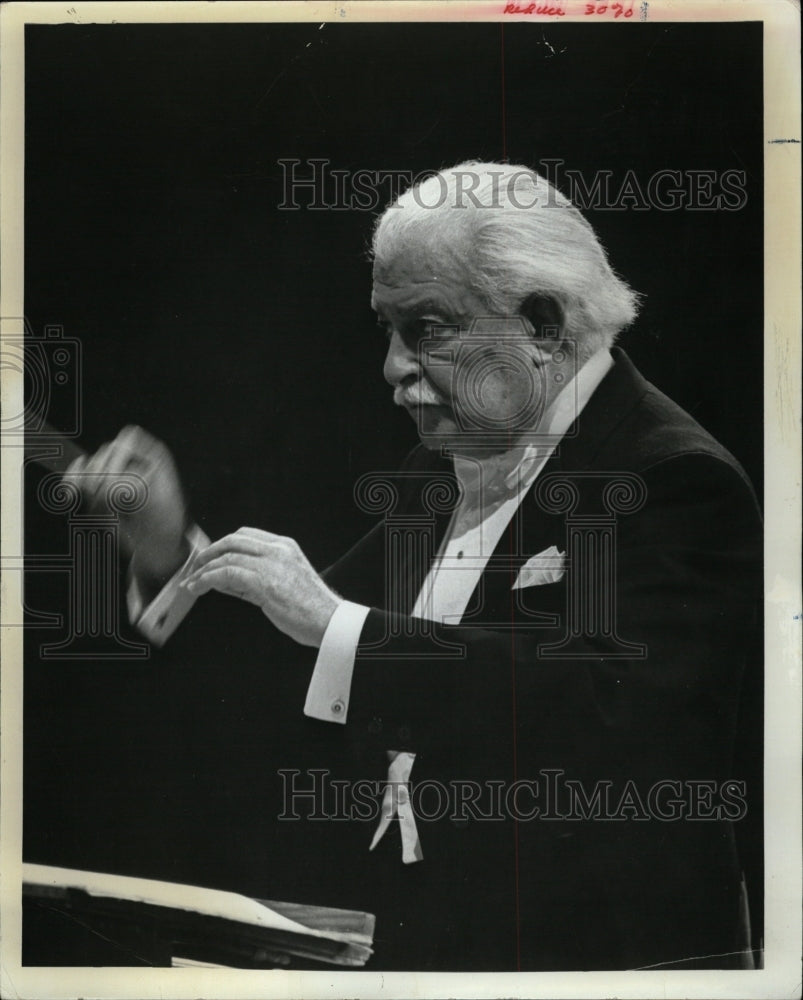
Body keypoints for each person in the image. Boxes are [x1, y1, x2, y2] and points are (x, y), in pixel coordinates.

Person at [64, 162, 763, 971]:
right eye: (386, 331)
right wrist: (165, 549)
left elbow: (605, 714)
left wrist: (334, 623)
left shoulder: (674, 478)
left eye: (427, 329)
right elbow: (313, 658)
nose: (392, 368)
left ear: (541, 326)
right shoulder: (439, 471)